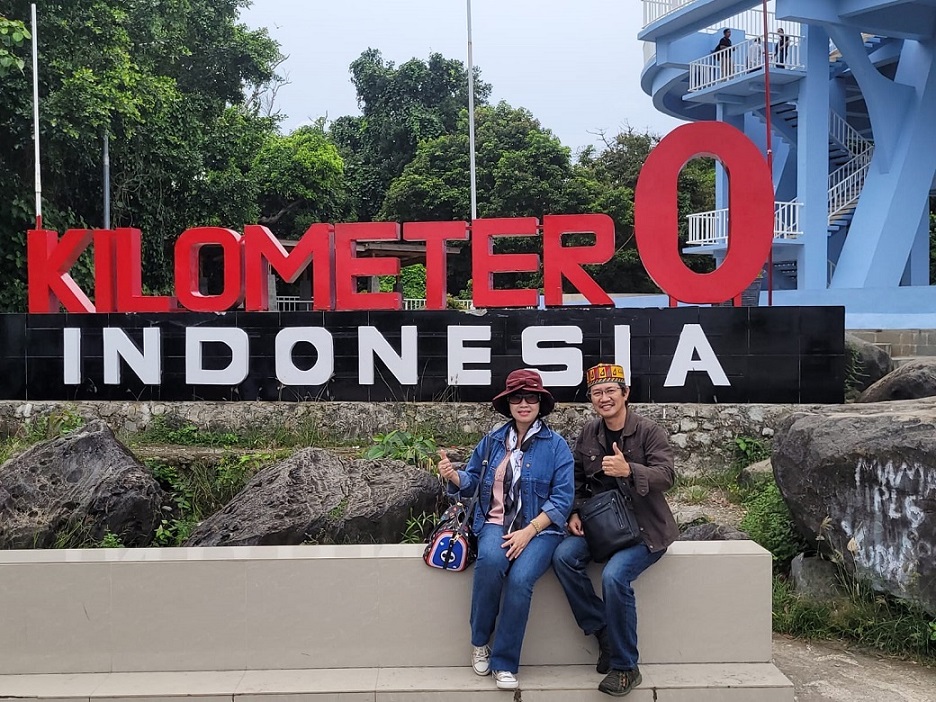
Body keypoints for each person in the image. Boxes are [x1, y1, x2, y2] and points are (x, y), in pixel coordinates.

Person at [437, 368, 574, 691]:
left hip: (540, 530)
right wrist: (455, 477)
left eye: (530, 398)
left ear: (540, 403)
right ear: (508, 403)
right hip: (496, 522)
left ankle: (505, 662)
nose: (524, 404)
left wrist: (529, 531)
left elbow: (562, 498)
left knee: (521, 580)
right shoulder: (492, 441)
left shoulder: (557, 446)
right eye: (517, 398)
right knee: (490, 564)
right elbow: (473, 480)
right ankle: (480, 641)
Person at [552, 363, 678, 697]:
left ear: (625, 393)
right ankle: (604, 630)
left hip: (644, 529)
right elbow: (576, 477)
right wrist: (574, 511)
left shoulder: (649, 431)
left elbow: (667, 475)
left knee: (614, 577)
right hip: (603, 527)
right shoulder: (588, 433)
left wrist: (630, 469)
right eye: (597, 392)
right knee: (563, 557)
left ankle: (625, 667)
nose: (604, 398)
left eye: (610, 391)